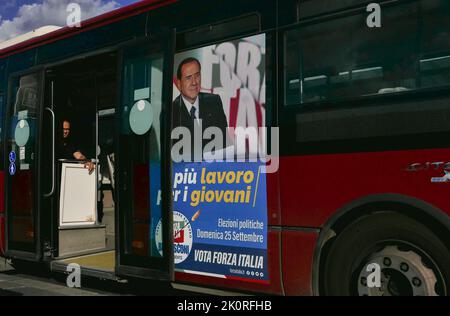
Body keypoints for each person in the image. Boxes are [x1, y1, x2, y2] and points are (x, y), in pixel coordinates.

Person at [172, 57, 229, 157]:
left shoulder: (214, 102)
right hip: (186, 171)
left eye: (197, 75)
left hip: (215, 169)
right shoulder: (171, 112)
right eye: (188, 78)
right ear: (179, 84)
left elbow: (225, 145)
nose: (194, 82)